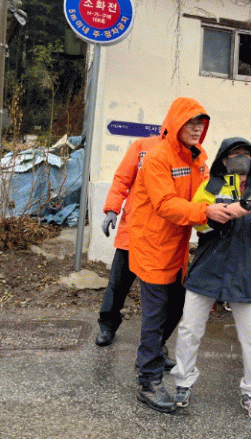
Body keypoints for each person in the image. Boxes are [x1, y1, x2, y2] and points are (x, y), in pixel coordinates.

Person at [129, 97, 234, 414]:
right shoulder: (158, 158)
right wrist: (205, 212)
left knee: (176, 307)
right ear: (176, 123)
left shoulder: (198, 157)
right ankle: (148, 382)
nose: (197, 128)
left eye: (201, 123)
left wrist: (231, 199)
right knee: (156, 315)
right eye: (191, 122)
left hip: (176, 247)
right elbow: (165, 204)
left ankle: (151, 354)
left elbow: (205, 191)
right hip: (152, 246)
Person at [170, 137, 251, 422]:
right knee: (189, 329)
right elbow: (196, 221)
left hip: (245, 271)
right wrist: (216, 215)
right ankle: (183, 383)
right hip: (209, 267)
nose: (240, 158)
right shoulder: (211, 186)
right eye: (234, 154)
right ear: (222, 159)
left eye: (245, 154)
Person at [95, 134, 168, 356]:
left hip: (161, 236)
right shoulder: (142, 146)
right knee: (118, 285)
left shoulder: (185, 154)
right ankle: (107, 326)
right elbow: (122, 179)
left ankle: (156, 342)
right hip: (132, 232)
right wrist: (111, 209)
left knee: (158, 295)